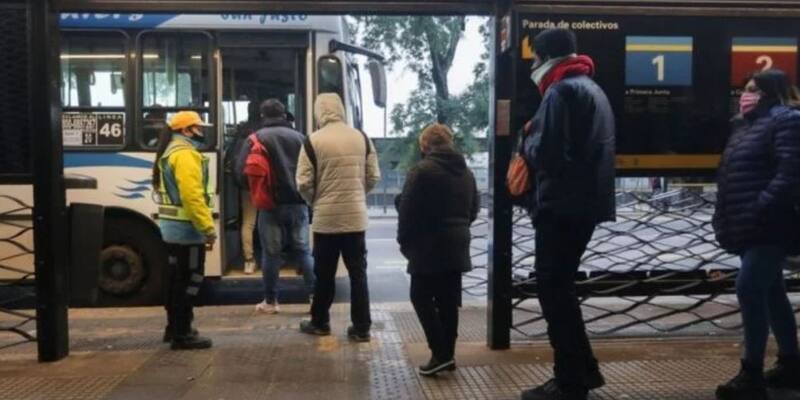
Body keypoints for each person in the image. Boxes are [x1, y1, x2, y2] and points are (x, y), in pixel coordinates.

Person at [519, 28, 615, 400]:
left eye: (534, 58)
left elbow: (548, 153)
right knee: (562, 290)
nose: (532, 64)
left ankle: (570, 381)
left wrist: (528, 136)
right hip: (585, 205)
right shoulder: (592, 88)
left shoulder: (561, 91)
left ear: (545, 57)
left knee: (554, 291)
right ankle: (581, 372)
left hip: (561, 205)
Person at [712, 69, 800, 400]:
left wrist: (762, 205)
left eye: (753, 90)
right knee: (772, 291)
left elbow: (791, 171)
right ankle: (791, 364)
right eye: (744, 89)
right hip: (750, 223)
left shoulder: (787, 120)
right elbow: (730, 175)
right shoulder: (744, 126)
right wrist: (725, 217)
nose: (745, 95)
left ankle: (751, 374)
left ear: (771, 92)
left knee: (749, 287)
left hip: (771, 223)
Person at [296, 93, 381, 341]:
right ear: (341, 109)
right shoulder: (362, 138)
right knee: (358, 274)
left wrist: (316, 201)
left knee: (325, 274)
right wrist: (356, 195)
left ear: (319, 112)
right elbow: (373, 176)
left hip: (326, 220)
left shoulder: (312, 141)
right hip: (355, 219)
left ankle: (320, 322)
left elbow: (303, 183)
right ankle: (362, 327)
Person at [396, 123, 480, 376]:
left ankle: (440, 353)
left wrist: (405, 244)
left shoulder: (421, 171)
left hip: (427, 246)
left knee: (420, 297)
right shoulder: (467, 173)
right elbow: (473, 209)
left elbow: (407, 213)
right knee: (448, 302)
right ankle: (447, 356)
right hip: (457, 243)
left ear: (425, 145)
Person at [237, 99, 316, 313]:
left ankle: (271, 302)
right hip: (298, 203)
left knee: (271, 254)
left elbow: (240, 173)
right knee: (303, 251)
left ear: (263, 116)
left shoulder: (255, 138)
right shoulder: (301, 138)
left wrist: (256, 191)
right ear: (284, 114)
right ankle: (315, 298)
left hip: (269, 204)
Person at [152, 111, 215, 350]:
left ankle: (174, 328)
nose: (201, 132)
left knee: (174, 281)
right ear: (186, 130)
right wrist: (208, 228)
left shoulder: (169, 152)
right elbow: (192, 197)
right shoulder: (186, 155)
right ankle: (183, 334)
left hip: (171, 231)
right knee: (190, 281)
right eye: (198, 128)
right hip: (187, 232)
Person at [233, 100, 263, 274]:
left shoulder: (242, 131)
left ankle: (249, 260)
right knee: (270, 221)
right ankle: (272, 257)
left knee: (248, 222)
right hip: (265, 183)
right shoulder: (266, 132)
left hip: (246, 183)